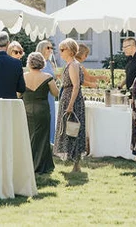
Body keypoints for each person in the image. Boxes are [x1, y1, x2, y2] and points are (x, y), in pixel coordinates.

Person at [22, 51, 59, 174]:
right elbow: (55, 93)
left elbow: (18, 94)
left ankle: (28, 164)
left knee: (29, 136)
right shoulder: (47, 77)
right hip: (42, 109)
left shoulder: (23, 76)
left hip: (26, 109)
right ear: (42, 63)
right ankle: (42, 166)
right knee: (43, 137)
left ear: (29, 63)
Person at [53, 38, 86, 173]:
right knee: (69, 129)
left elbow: (76, 86)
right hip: (67, 98)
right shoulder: (70, 64)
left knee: (73, 129)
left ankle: (76, 164)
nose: (60, 52)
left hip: (72, 100)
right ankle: (74, 163)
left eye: (63, 49)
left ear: (70, 51)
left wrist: (71, 104)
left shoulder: (73, 65)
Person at [35, 39, 58, 144]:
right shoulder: (37, 63)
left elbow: (54, 78)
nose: (50, 50)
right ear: (41, 49)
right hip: (41, 94)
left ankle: (51, 141)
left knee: (51, 116)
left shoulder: (51, 63)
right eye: (47, 47)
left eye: (51, 48)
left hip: (51, 94)